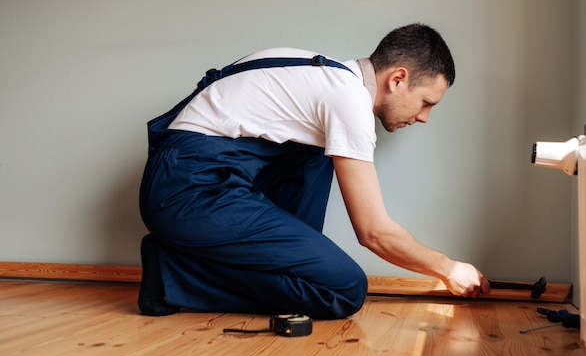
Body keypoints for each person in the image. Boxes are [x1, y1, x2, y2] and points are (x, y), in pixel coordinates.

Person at [138, 23, 491, 319]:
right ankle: (171, 273)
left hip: (193, 177)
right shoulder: (347, 100)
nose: (423, 117)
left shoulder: (321, 74)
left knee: (319, 152)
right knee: (345, 289)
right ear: (398, 78)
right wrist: (447, 268)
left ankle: (294, 271)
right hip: (188, 189)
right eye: (426, 102)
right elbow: (374, 233)